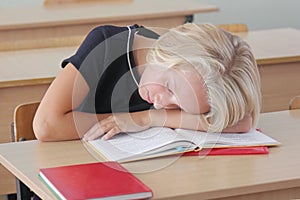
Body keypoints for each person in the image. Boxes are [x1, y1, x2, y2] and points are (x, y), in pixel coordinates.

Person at [33, 23, 261, 142]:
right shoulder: (106, 44)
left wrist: (147, 118)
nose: (163, 105)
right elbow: (45, 126)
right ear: (168, 52)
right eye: (170, 89)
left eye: (180, 108)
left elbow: (242, 122)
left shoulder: (187, 79)